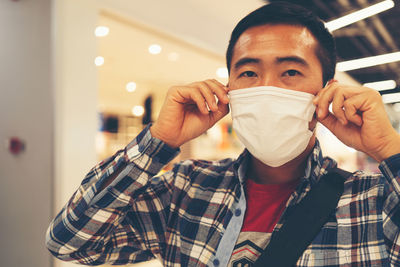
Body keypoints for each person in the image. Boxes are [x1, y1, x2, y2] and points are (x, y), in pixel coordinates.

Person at [46, 2, 400, 266]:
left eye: (290, 71)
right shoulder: (185, 189)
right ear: (228, 86)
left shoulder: (372, 202)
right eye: (248, 73)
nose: (266, 87)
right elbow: (70, 242)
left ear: (327, 89)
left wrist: (389, 148)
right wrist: (158, 142)